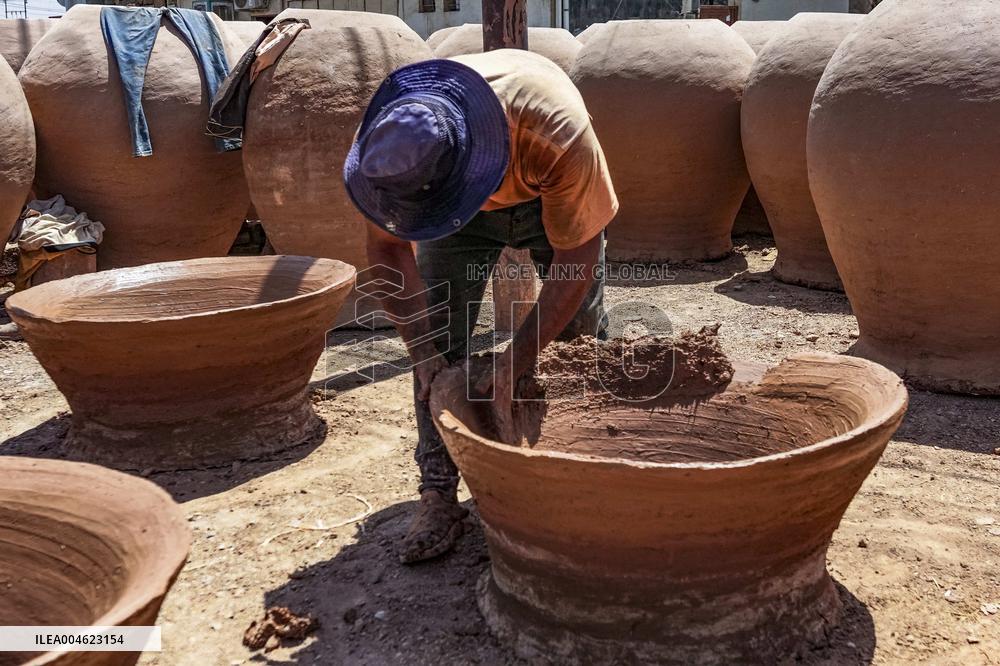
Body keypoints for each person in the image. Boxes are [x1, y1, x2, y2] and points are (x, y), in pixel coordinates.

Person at [343, 49, 618, 563]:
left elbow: (576, 258)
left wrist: (520, 355)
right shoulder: (390, 156)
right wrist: (422, 351)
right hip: (451, 202)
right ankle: (438, 491)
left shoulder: (554, 132)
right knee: (439, 340)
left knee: (577, 335)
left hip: (542, 189)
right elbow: (386, 250)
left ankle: (586, 465)